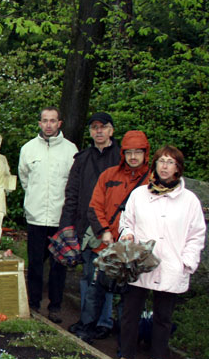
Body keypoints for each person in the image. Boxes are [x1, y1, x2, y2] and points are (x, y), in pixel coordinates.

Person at [117, 146, 205, 359]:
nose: (165, 166)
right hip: (140, 264)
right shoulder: (139, 195)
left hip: (170, 266)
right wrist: (127, 235)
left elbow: (197, 234)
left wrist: (187, 262)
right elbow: (127, 222)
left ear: (178, 168)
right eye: (161, 161)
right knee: (130, 312)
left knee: (163, 317)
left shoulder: (189, 201)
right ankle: (126, 355)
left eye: (170, 162)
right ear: (154, 164)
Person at [70, 131, 150, 343]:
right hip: (105, 242)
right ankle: (88, 327)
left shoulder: (152, 181)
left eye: (138, 152)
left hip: (133, 248)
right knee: (95, 288)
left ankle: (125, 338)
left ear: (145, 153)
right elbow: (95, 206)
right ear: (123, 153)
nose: (133, 157)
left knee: (129, 294)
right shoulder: (109, 175)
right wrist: (104, 230)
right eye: (129, 152)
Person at [60, 112, 121, 337]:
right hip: (86, 226)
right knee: (88, 275)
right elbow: (72, 193)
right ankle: (87, 320)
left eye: (103, 127)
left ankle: (104, 322)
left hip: (114, 227)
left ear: (111, 130)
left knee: (109, 276)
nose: (99, 131)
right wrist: (67, 226)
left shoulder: (121, 157)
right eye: (94, 127)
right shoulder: (82, 158)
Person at [18, 107, 78, 323]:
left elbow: (72, 184)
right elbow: (25, 180)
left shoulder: (70, 150)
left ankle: (55, 307)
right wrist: (34, 201)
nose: (49, 125)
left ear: (59, 123)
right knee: (34, 263)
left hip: (59, 218)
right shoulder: (28, 149)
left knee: (58, 265)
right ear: (39, 123)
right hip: (35, 216)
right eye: (45, 121)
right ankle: (33, 304)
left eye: (53, 121)